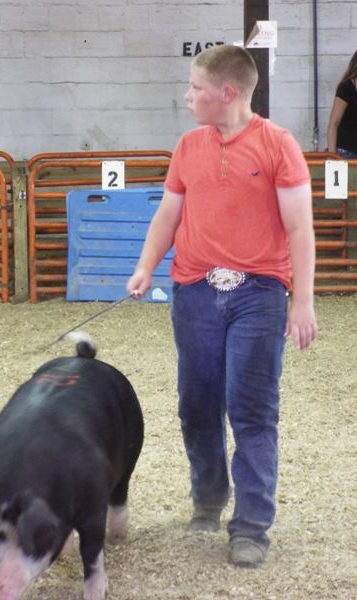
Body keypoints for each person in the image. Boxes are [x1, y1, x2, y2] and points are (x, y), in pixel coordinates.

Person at [125, 44, 318, 569]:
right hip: (195, 291)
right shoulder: (188, 146)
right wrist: (145, 265)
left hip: (259, 293)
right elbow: (169, 214)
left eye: (196, 89)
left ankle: (251, 526)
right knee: (197, 403)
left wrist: (302, 301)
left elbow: (299, 227)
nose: (188, 97)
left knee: (252, 409)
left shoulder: (279, 145)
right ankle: (208, 498)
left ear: (227, 93)